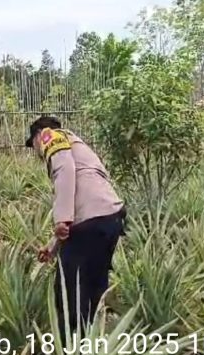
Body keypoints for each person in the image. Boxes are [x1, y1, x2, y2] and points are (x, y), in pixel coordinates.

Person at [25, 116, 126, 339]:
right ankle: (94, 347)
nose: (35, 151)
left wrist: (60, 218)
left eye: (32, 144)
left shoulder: (49, 136)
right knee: (93, 286)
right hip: (110, 218)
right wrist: (53, 247)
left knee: (69, 291)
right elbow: (85, 198)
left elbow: (65, 172)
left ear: (37, 135)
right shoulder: (79, 145)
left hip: (90, 222)